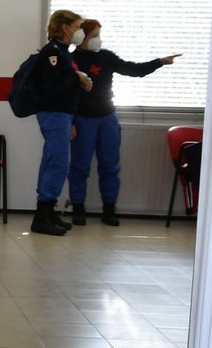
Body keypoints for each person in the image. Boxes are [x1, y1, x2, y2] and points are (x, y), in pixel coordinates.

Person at [67, 18, 178, 226]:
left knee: (110, 166)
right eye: (95, 35)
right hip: (82, 119)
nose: (98, 39)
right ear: (81, 37)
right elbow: (67, 93)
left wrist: (160, 62)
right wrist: (71, 122)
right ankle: (78, 209)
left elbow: (133, 70)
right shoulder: (70, 60)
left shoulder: (107, 57)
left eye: (99, 35)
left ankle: (109, 210)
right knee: (79, 166)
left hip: (107, 118)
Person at [29, 9, 93, 237]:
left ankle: (48, 211)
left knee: (52, 160)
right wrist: (78, 78)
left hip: (63, 114)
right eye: (77, 27)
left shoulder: (64, 52)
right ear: (65, 27)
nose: (79, 32)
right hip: (54, 113)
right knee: (58, 162)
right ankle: (42, 215)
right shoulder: (53, 52)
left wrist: (78, 77)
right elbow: (52, 86)